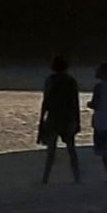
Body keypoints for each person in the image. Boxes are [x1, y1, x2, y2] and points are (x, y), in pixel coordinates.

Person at [39, 55, 81, 184]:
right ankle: (77, 177)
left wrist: (41, 120)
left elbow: (45, 101)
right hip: (67, 117)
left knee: (51, 151)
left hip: (53, 117)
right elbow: (75, 102)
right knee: (71, 149)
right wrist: (77, 121)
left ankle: (45, 178)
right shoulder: (71, 81)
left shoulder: (50, 81)